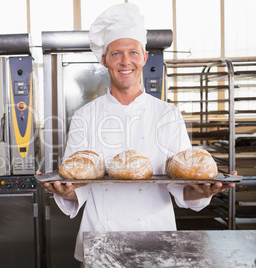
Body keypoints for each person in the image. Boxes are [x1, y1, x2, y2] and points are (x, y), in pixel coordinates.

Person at [41, 2, 236, 264]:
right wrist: (64, 192)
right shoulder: (85, 116)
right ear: (104, 60)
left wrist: (202, 192)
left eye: (133, 52)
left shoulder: (167, 115)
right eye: (116, 54)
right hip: (101, 237)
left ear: (144, 57)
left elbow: (183, 186)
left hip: (157, 238)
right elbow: (77, 185)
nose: (125, 61)